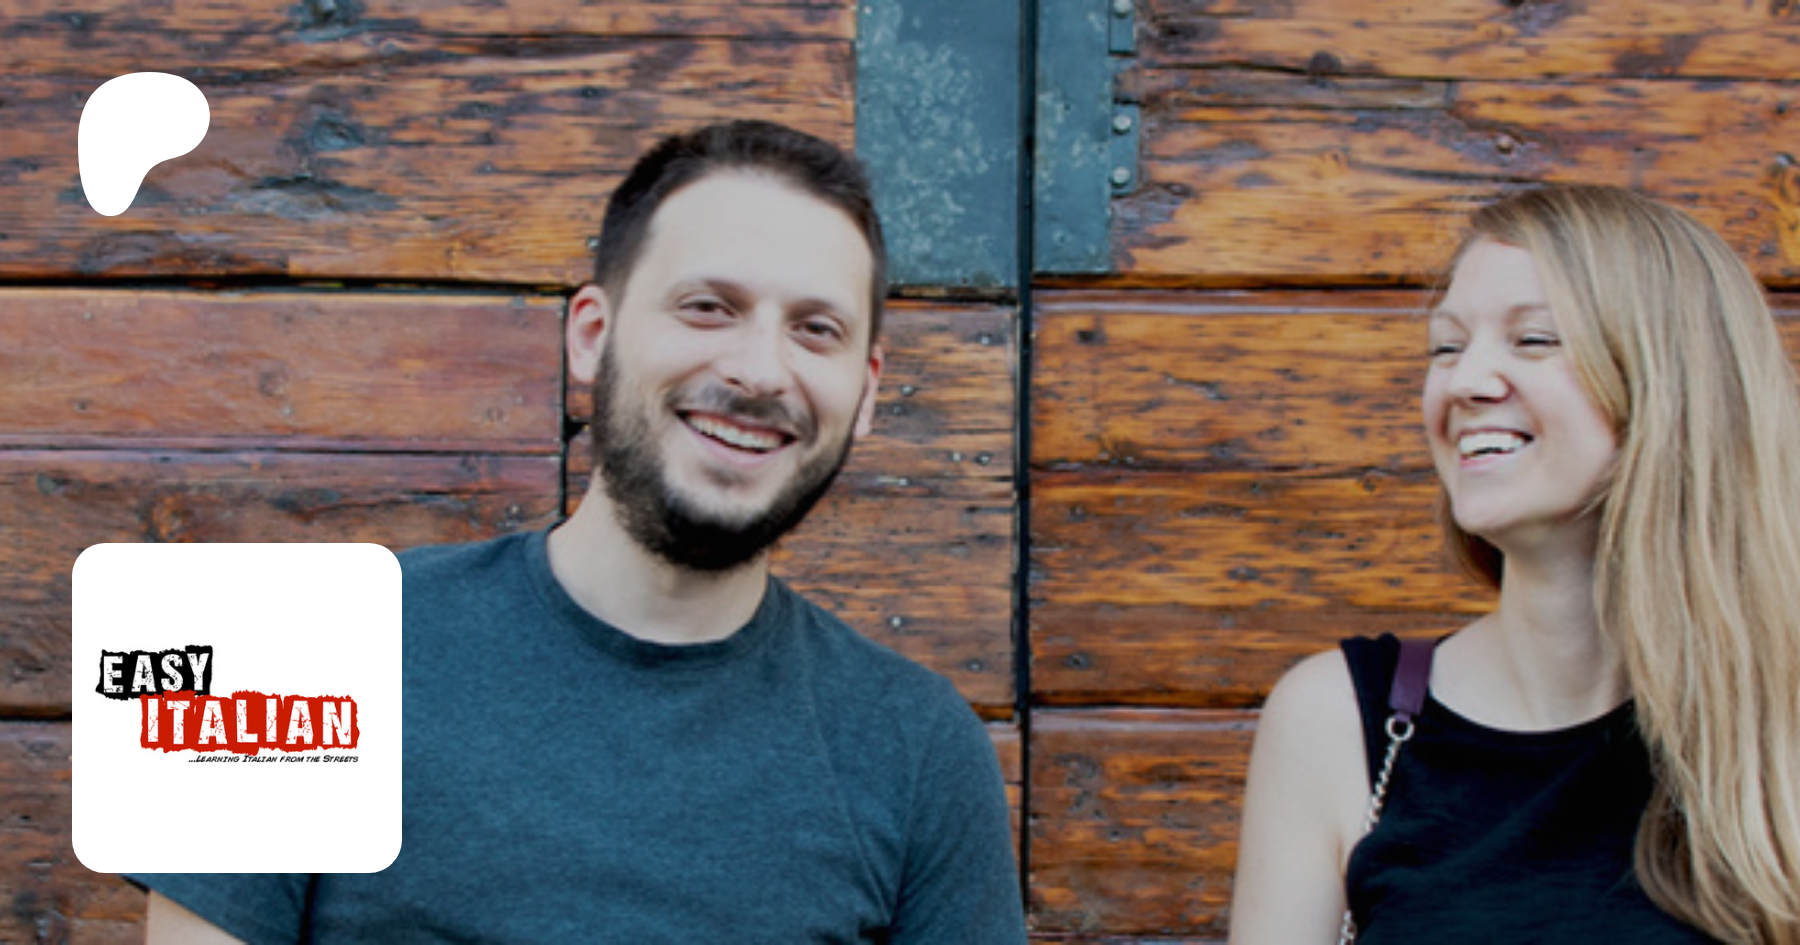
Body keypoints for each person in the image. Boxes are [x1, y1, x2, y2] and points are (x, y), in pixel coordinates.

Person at [130, 120, 1028, 944]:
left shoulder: (920, 750)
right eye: (708, 306)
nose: (759, 370)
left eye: (816, 329)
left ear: (865, 391)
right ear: (593, 335)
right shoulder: (298, 651)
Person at [1229, 185, 1800, 944]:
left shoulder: (1782, 723)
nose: (1466, 381)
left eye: (1533, 339)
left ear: (1672, 382)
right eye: (1447, 347)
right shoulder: (1337, 720)